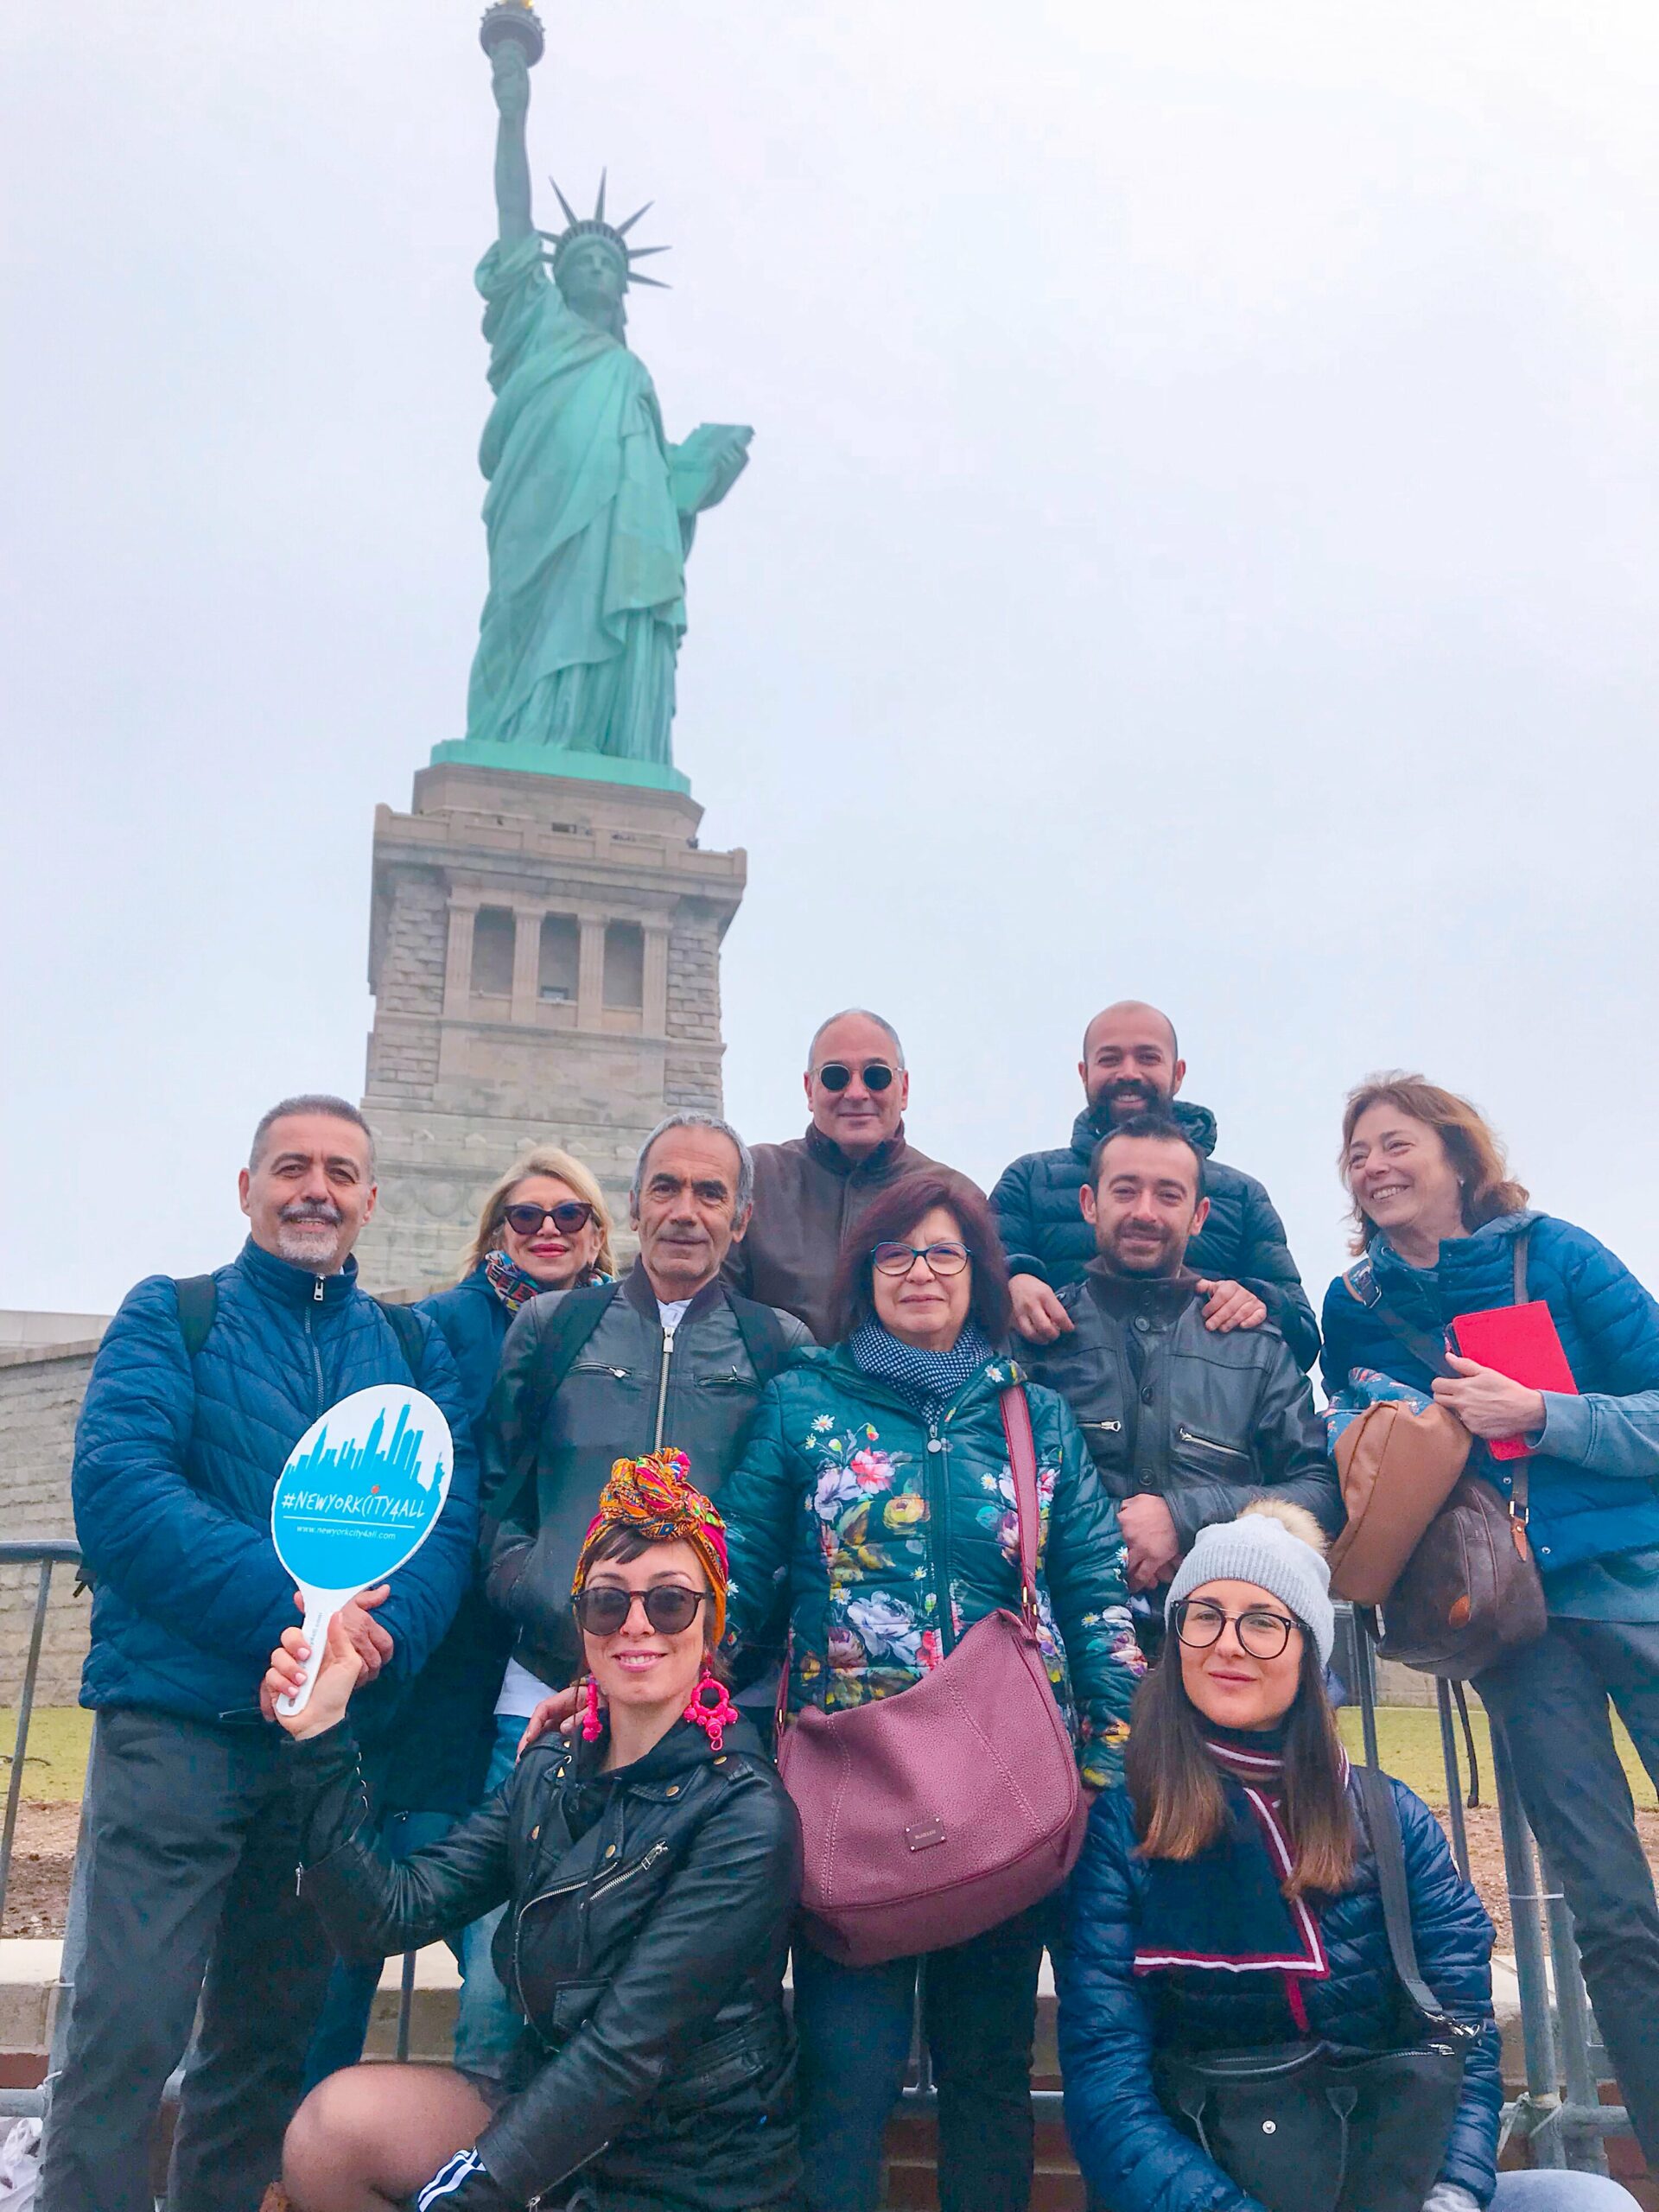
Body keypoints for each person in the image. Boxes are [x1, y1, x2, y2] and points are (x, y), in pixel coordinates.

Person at [41, 1096, 478, 2212]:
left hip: (324, 1752)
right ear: (247, 1189)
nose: (315, 1189)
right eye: (291, 1167)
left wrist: (377, 1642)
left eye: (340, 1171)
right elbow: (123, 1496)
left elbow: (451, 1527)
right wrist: (299, 1614)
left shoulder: (418, 1351)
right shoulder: (172, 1317)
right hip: (178, 1733)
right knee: (123, 2036)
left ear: (371, 1200)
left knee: (260, 2051)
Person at [718, 1166, 1141, 2212]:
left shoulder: (1032, 1416)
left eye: (944, 1253)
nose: (919, 1272)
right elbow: (733, 1573)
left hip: (1006, 1796)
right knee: (844, 2083)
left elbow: (1094, 1598)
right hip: (850, 1792)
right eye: (897, 1253)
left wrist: (1098, 1767)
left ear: (978, 1276)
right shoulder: (801, 1404)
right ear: (865, 1274)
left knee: (989, 2081)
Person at [266, 1450, 802, 2212]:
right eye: (608, 1604)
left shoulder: (746, 1815)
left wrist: (457, 2200)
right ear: (581, 1626)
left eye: (672, 1603)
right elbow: (384, 1916)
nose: (637, 1625)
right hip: (555, 2127)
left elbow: (622, 2057)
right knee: (330, 2133)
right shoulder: (551, 1767)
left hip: (692, 2170)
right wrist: (318, 1735)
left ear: (710, 1625)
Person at [1058, 1501, 1630, 2212]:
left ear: (1309, 1651)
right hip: (1208, 2186)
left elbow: (1466, 2039)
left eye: (1263, 1622)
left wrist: (1449, 2193)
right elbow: (1107, 2090)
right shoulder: (1123, 1830)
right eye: (1204, 1615)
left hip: (1382, 2172)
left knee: (1584, 2200)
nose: (1228, 1644)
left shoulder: (1393, 1819)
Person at [1320, 1072, 1659, 2169]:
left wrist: (1542, 1415)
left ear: (1457, 1154)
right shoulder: (1356, 1303)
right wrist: (1374, 1411)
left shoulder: (1556, 1254)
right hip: (1513, 1625)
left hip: (1634, 1582)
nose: (1374, 1166)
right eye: (1357, 1153)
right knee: (1610, 1913)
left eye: (1394, 1143)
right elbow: (1356, 1419)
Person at [302, 1145, 618, 2091]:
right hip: (433, 1674)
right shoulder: (428, 1330)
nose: (550, 1230)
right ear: (494, 1230)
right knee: (353, 1934)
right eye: (527, 1216)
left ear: (600, 1231)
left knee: (511, 1948)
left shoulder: (628, 1334)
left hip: (544, 1669)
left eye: (570, 1215)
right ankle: (302, 2153)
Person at [481, 1110, 812, 1701]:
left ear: (740, 1222)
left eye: (710, 1193)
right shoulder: (552, 1326)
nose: (685, 1212)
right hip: (547, 1677)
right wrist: (533, 1590)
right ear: (636, 1207)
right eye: (666, 1187)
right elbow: (498, 1486)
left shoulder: (779, 1345)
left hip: (715, 1691)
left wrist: (730, 1634)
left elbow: (793, 1518)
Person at [1020, 1114, 1339, 1637]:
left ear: (1199, 1215)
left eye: (1169, 1195)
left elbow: (1321, 1493)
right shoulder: (1035, 1342)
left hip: (1223, 1647)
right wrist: (1107, 1539)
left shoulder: (1255, 1347)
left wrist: (1183, 1520)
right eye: (1125, 1191)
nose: (1144, 1212)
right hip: (1061, 1651)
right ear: (1089, 1203)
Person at [991, 1000, 1319, 1369]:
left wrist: (1259, 1302)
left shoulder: (1241, 1197)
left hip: (1205, 1414)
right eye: (1110, 1059)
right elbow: (961, 1296)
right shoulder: (1030, 1181)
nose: (1128, 1073)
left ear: (1178, 1074)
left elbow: (1304, 1339)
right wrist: (1010, 1283)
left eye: (1148, 1058)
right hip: (1058, 1412)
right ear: (1084, 1073)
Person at [722, 1007, 942, 1340]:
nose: (856, 1093)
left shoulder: (950, 1194)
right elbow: (710, 1309)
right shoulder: (755, 1177)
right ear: (810, 1089)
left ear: (905, 1088)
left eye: (876, 1075)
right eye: (836, 1076)